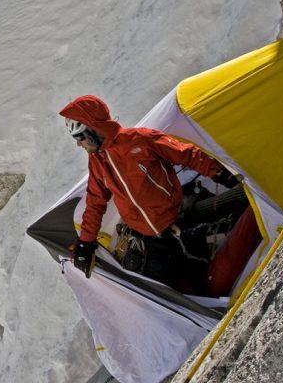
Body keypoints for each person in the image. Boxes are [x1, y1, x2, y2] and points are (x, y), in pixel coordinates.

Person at [60, 95, 239, 286]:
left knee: (214, 274)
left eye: (80, 137)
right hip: (150, 240)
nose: (79, 144)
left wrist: (219, 173)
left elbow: (186, 154)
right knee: (180, 287)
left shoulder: (139, 140)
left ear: (95, 129)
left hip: (180, 219)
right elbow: (95, 202)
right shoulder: (96, 162)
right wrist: (85, 244)